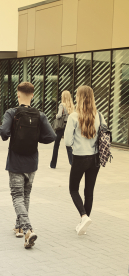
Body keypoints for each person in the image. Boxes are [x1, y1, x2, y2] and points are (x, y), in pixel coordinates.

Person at [0, 82, 56, 249]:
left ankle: (27, 229)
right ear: (32, 94)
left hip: (16, 161)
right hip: (32, 162)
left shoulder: (12, 112)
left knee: (17, 196)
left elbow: (3, 132)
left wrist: (12, 136)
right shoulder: (40, 115)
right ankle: (19, 228)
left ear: (18, 94)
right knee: (26, 196)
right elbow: (51, 136)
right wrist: (36, 138)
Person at [65, 85, 106, 235]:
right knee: (89, 191)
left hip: (80, 157)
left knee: (73, 189)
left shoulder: (73, 116)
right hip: (95, 159)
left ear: (79, 97)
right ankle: (85, 222)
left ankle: (83, 216)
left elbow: (68, 142)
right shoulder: (99, 115)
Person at [50, 90, 74, 168]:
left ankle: (53, 164)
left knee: (56, 145)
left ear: (63, 97)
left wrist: (56, 115)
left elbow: (59, 115)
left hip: (60, 127)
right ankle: (72, 163)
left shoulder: (61, 105)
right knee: (68, 145)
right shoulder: (71, 105)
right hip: (68, 126)